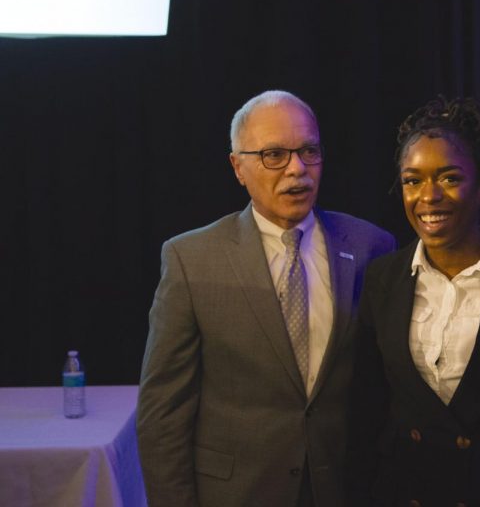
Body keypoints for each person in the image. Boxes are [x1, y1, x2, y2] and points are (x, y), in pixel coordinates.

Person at [137, 90, 395, 507]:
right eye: (274, 155)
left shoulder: (371, 246)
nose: (297, 169)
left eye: (309, 151)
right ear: (238, 167)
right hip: (236, 493)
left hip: (346, 488)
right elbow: (163, 414)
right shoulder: (191, 260)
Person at [349, 97, 480, 506]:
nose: (428, 196)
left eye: (450, 178)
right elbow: (366, 410)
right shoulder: (382, 278)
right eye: (412, 180)